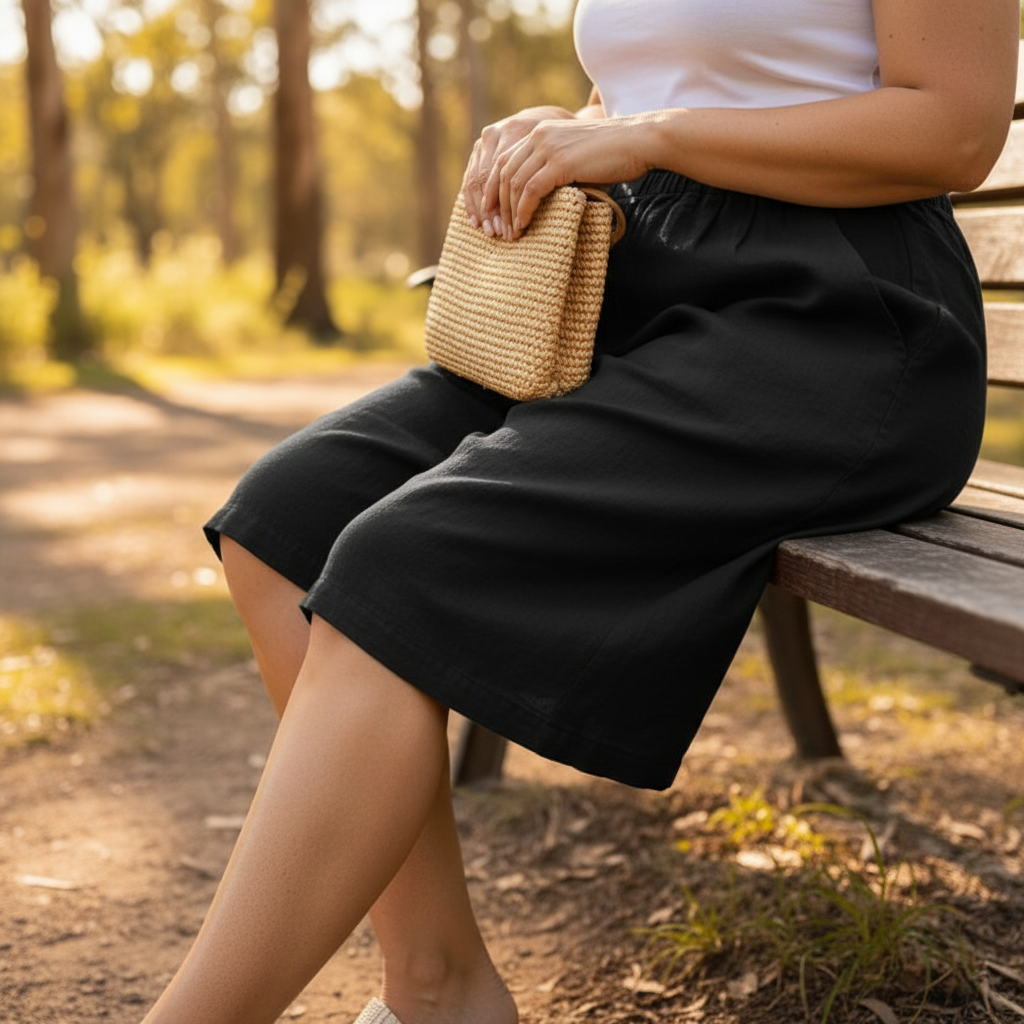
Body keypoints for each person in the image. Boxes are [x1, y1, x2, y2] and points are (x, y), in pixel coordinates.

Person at [140, 1, 1018, 1021]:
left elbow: (954, 130)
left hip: (840, 323)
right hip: (642, 294)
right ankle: (439, 988)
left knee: (398, 561)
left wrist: (649, 137)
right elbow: (656, 85)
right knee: (283, 523)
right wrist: (562, 131)